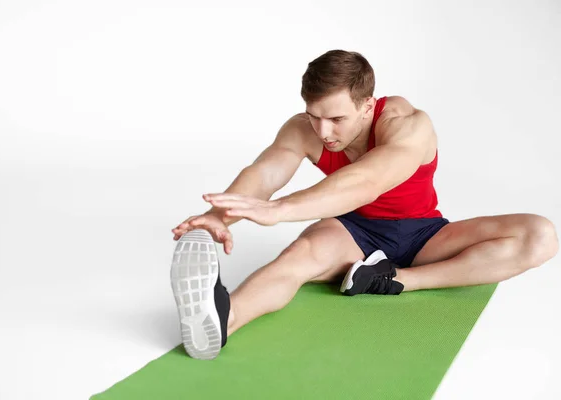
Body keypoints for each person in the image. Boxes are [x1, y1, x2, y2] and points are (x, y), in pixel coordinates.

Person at [169, 50, 559, 360]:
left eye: (336, 118)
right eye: (313, 116)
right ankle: (221, 320)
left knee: (539, 235)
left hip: (424, 232)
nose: (323, 132)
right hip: (353, 230)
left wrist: (278, 210)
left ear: (368, 104)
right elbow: (265, 172)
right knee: (297, 257)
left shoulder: (408, 123)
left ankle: (396, 281)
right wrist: (218, 218)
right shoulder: (305, 129)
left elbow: (369, 182)